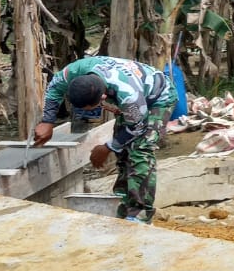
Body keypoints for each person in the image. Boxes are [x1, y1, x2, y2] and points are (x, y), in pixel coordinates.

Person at [34, 55, 178, 224]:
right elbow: (54, 87)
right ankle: (123, 203)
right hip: (134, 99)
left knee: (140, 150)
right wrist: (47, 121)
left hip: (158, 98)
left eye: (91, 108)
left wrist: (108, 147)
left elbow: (137, 127)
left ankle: (140, 214)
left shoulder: (128, 95)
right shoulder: (73, 71)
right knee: (124, 152)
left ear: (103, 98)